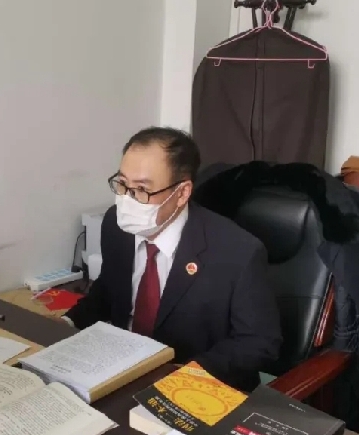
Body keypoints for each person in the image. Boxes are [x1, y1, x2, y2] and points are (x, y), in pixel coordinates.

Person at [64, 127, 281, 391]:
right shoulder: (115, 225)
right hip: (124, 372)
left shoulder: (237, 251)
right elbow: (109, 289)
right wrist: (67, 323)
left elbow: (259, 342)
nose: (126, 201)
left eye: (141, 189)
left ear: (181, 193)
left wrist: (186, 375)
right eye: (122, 184)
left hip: (196, 385)